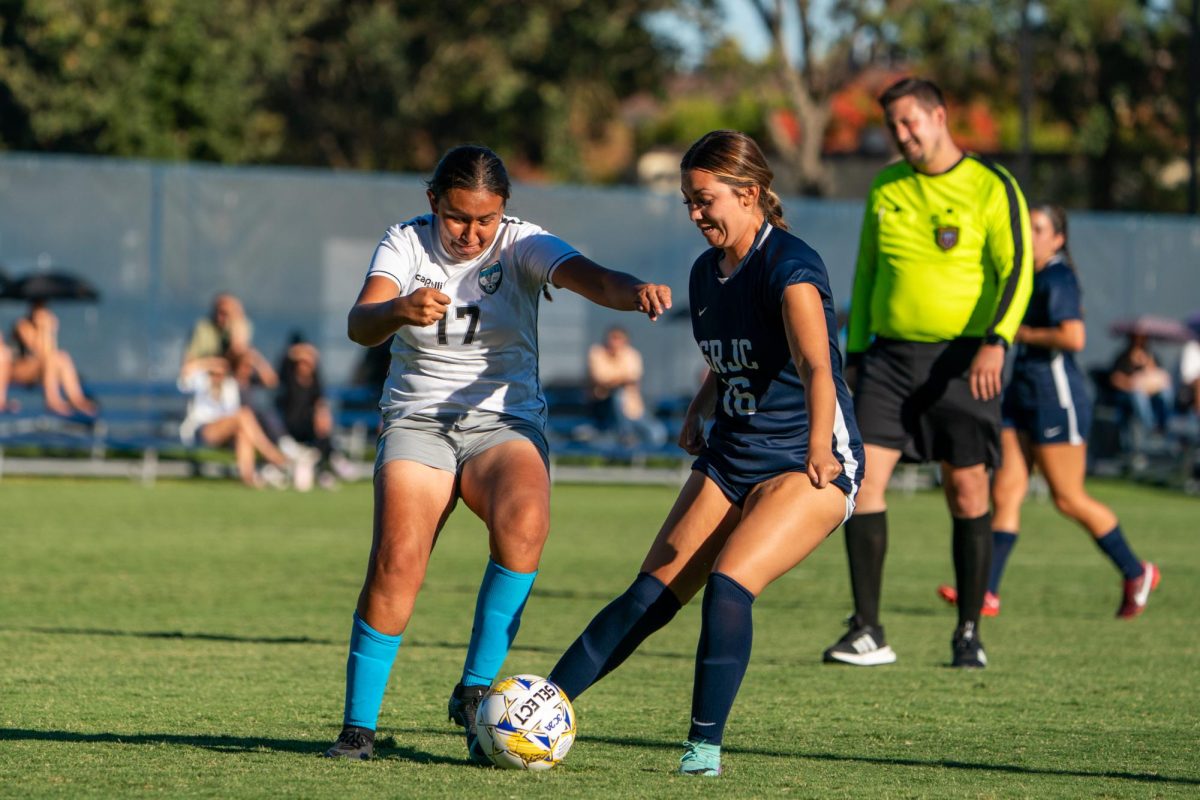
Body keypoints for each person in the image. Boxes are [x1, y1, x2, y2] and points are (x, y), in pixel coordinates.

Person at [322, 144, 672, 762]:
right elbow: (360, 322)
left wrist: (634, 290)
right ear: (433, 202)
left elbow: (592, 278)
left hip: (503, 424)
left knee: (526, 523)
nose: (471, 233)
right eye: (458, 217)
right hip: (419, 422)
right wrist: (399, 309)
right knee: (399, 559)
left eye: (485, 219)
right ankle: (358, 728)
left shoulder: (521, 244)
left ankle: (475, 688)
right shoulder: (404, 243)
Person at [545, 130, 863, 777]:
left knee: (728, 584)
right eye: (688, 202)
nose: (695, 214)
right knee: (649, 596)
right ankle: (538, 709)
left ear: (749, 195)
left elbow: (817, 365)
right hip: (731, 452)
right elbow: (732, 357)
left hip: (806, 462)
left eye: (704, 200)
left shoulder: (790, 266)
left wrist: (818, 446)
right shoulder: (705, 271)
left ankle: (703, 749)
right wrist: (699, 408)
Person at [824, 77, 1033, 670]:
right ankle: (867, 630)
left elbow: (1017, 272)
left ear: (940, 116)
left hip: (965, 362)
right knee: (860, 484)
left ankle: (968, 632)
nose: (903, 134)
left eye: (911, 121)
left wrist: (998, 342)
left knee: (967, 490)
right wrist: (855, 354)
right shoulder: (886, 187)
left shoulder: (992, 186)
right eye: (893, 125)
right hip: (887, 361)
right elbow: (866, 275)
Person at [936, 205, 1160, 620]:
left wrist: (1018, 332)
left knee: (1068, 497)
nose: (1031, 235)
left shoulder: (1058, 275)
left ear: (1058, 239)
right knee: (1005, 492)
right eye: (1027, 227)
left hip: (1054, 395)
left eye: (1039, 229)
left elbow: (1073, 337)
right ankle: (987, 592)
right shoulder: (1027, 276)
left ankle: (1137, 570)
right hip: (1021, 393)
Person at [177, 355, 294, 489]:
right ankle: (273, 456)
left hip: (226, 432)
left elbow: (271, 381)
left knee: (243, 432)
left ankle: (249, 478)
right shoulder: (201, 382)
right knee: (243, 415)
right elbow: (186, 370)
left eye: (221, 373)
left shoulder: (230, 386)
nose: (217, 376)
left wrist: (256, 359)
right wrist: (210, 363)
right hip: (202, 430)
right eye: (214, 373)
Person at [8, 298, 97, 416]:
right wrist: (44, 329)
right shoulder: (22, 325)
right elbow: (39, 351)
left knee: (62, 356)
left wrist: (50, 331)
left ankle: (76, 399)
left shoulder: (46, 325)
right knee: (50, 359)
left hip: (41, 368)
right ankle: (52, 400)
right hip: (18, 369)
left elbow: (51, 351)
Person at [586, 325, 667, 447]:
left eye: (618, 338)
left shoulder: (632, 354)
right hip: (603, 408)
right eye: (612, 338)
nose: (614, 342)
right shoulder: (597, 352)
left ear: (625, 341)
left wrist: (611, 380)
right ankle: (626, 436)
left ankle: (629, 439)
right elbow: (600, 378)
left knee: (657, 434)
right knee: (617, 395)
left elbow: (632, 378)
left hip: (633, 411)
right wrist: (621, 380)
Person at [1108, 331, 1173, 435]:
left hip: (1151, 393)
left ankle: (1165, 424)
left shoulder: (1151, 356)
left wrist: (1148, 364)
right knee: (1138, 395)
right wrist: (1131, 383)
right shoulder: (1123, 358)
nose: (1141, 341)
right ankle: (1150, 426)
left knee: (1166, 393)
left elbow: (1158, 377)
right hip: (1128, 394)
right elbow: (1115, 379)